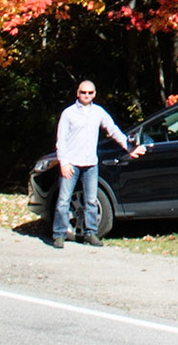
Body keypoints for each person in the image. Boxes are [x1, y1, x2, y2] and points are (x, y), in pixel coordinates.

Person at [51, 80, 145, 248]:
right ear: (77, 93)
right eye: (83, 92)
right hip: (71, 163)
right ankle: (59, 234)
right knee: (64, 200)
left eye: (89, 93)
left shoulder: (98, 112)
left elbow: (113, 130)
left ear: (94, 94)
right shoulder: (69, 113)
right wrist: (64, 163)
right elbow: (61, 141)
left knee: (91, 201)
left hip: (90, 164)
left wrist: (129, 148)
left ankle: (91, 233)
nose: (86, 95)